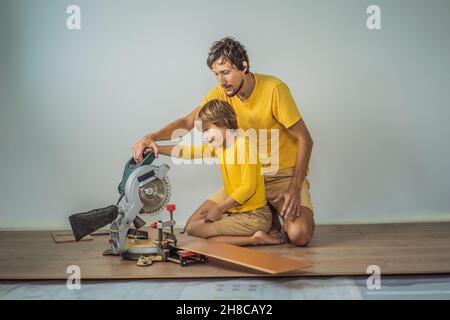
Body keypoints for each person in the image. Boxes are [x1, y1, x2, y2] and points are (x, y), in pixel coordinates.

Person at [133, 37, 314, 246]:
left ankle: (267, 216)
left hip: (280, 175)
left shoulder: (274, 89)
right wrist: (153, 139)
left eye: (226, 72)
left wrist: (295, 186)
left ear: (244, 66)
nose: (221, 80)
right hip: (244, 180)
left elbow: (305, 139)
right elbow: (187, 123)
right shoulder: (221, 93)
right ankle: (263, 221)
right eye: (216, 74)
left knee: (299, 235)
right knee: (193, 227)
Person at [155, 99, 282, 246]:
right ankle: (251, 235)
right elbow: (187, 151)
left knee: (196, 231)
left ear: (224, 123)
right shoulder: (221, 147)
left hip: (255, 216)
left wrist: (219, 209)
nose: (205, 136)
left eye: (208, 130)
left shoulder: (243, 146)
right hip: (237, 213)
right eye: (203, 132)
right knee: (192, 228)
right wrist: (156, 148)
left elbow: (248, 188)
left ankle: (255, 239)